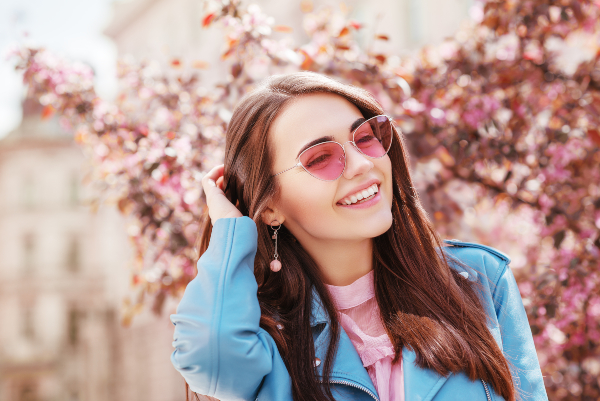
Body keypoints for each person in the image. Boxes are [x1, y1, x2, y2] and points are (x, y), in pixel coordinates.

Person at [169, 71, 548, 401]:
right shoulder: (267, 333)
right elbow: (209, 359)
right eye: (320, 158)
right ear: (270, 208)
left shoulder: (479, 278)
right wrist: (230, 232)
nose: (364, 164)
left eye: (365, 137)